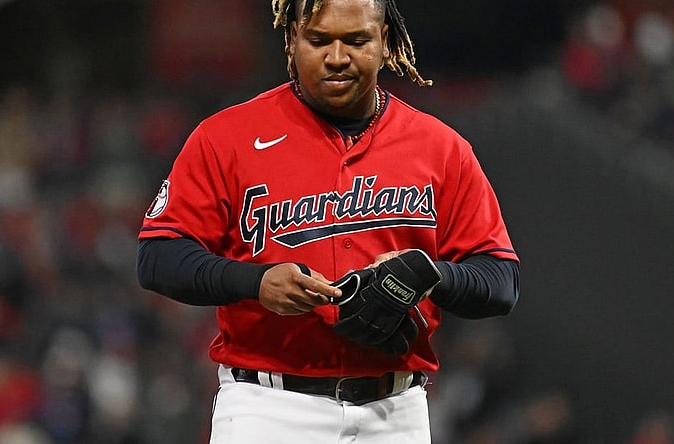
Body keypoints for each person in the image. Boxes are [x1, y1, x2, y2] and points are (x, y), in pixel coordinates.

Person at [136, 0, 520, 442]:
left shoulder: (441, 148)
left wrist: (428, 276)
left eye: (356, 40)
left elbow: (501, 279)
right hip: (269, 409)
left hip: (394, 412)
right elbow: (158, 256)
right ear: (292, 40)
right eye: (318, 40)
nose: (337, 57)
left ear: (386, 43)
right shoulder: (227, 137)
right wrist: (254, 283)